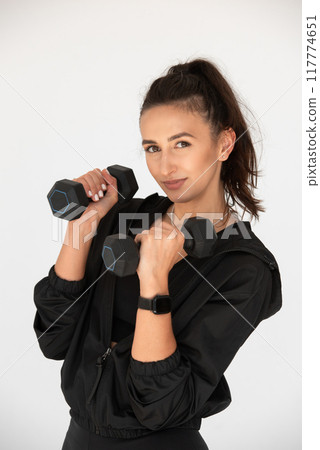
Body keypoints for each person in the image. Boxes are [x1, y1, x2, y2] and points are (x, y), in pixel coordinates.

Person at [33, 57, 282, 450]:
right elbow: (53, 340)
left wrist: (153, 280)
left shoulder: (245, 268)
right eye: (152, 147)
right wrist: (83, 226)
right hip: (78, 439)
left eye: (182, 143)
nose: (165, 166)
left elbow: (160, 406)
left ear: (223, 144)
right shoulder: (127, 218)